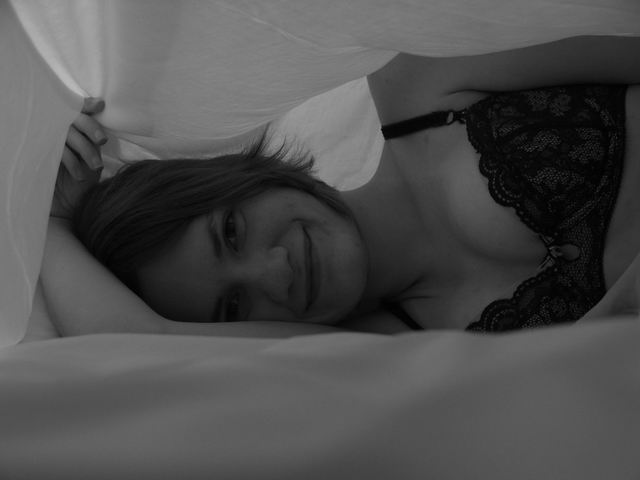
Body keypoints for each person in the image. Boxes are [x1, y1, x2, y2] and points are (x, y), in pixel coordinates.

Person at [43, 35, 640, 337]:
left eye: (232, 232)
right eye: (233, 308)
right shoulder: (377, 364)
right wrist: (49, 226)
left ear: (241, 179)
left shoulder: (419, 80)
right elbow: (141, 350)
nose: (276, 273)